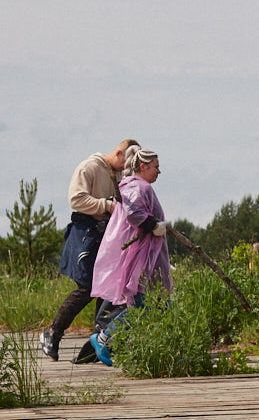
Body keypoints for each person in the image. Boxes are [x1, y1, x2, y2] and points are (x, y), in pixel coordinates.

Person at [41, 138, 139, 361]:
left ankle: (95, 347)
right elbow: (76, 199)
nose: (127, 168)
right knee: (86, 288)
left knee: (107, 289)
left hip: (105, 236)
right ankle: (53, 333)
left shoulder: (117, 175)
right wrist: (106, 205)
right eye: (126, 162)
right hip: (84, 234)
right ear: (119, 153)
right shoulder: (89, 167)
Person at [87, 145, 172, 367]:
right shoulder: (138, 187)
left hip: (149, 257)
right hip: (143, 260)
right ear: (143, 166)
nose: (159, 171)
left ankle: (167, 350)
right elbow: (135, 214)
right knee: (144, 306)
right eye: (156, 167)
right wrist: (154, 225)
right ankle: (104, 338)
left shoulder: (137, 186)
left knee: (160, 305)